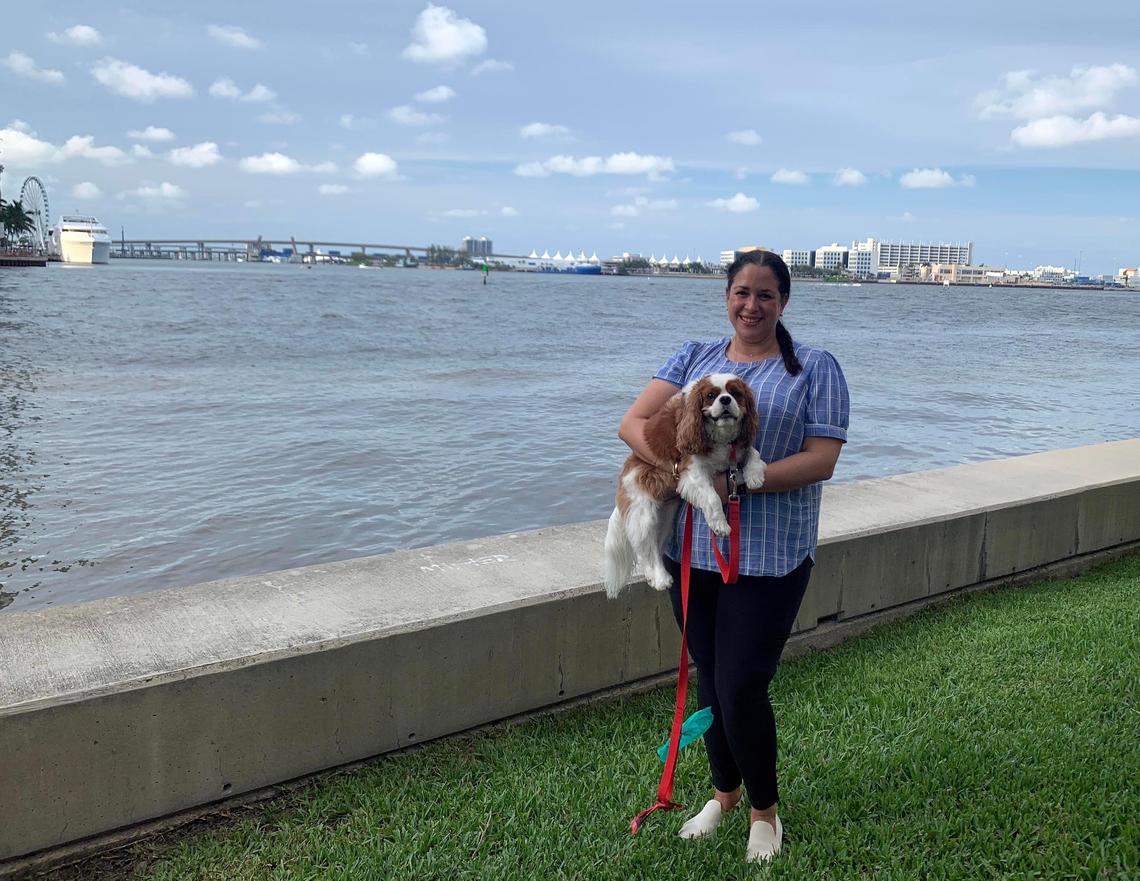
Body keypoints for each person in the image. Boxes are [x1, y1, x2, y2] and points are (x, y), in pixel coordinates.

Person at [617, 249, 849, 863]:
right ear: (726, 297)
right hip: (690, 556)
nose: (752, 305)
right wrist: (682, 470)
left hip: (770, 557)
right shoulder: (694, 356)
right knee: (710, 680)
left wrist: (735, 485)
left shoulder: (815, 367)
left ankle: (764, 814)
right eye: (741, 293)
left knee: (742, 685)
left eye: (765, 295)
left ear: (783, 301)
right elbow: (633, 424)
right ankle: (723, 794)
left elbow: (823, 459)